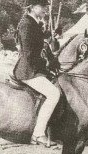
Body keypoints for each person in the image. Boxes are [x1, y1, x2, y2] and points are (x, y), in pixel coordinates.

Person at [13, 0, 60, 146]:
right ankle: (38, 134)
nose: (46, 9)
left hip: (33, 68)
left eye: (46, 6)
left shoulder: (32, 22)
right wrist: (45, 67)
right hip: (27, 70)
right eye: (43, 7)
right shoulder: (26, 24)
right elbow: (28, 53)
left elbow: (40, 42)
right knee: (54, 94)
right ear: (33, 8)